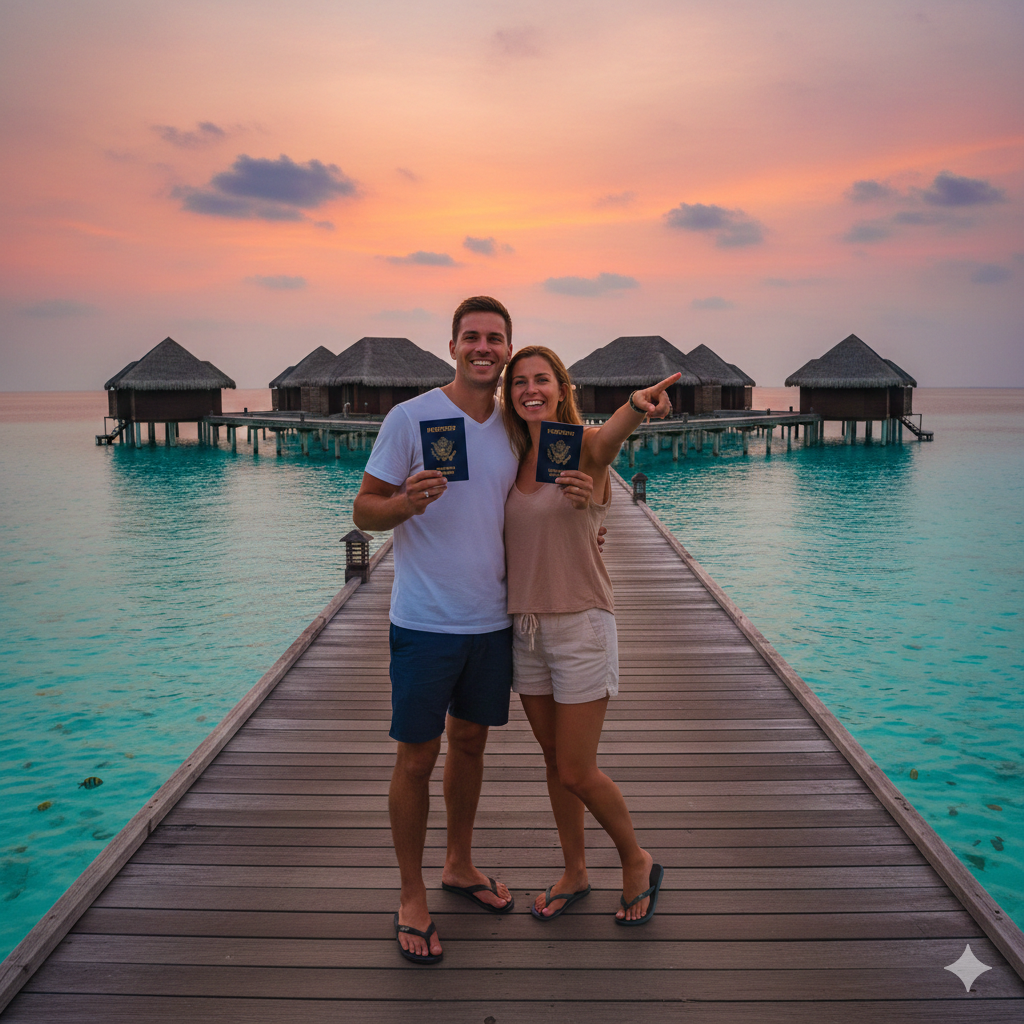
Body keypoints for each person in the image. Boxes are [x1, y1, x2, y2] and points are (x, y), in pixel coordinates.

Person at [352, 299, 596, 964]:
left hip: (494, 621)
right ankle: (410, 893)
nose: (483, 348)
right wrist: (406, 501)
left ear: (508, 348)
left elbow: (572, 484)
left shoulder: (519, 429)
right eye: (472, 337)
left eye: (495, 339)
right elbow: (364, 509)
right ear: (453, 344)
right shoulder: (412, 419)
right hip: (426, 621)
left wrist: (590, 503)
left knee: (469, 747)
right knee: (416, 758)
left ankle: (458, 864)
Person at [501, 345, 679, 924]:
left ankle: (636, 859)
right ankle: (574, 870)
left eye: (542, 380)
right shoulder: (510, 456)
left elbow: (608, 443)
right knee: (554, 764)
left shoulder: (578, 444)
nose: (531, 389)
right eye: (520, 381)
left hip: (580, 623)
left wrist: (636, 404)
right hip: (523, 629)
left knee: (578, 768)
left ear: (561, 388)